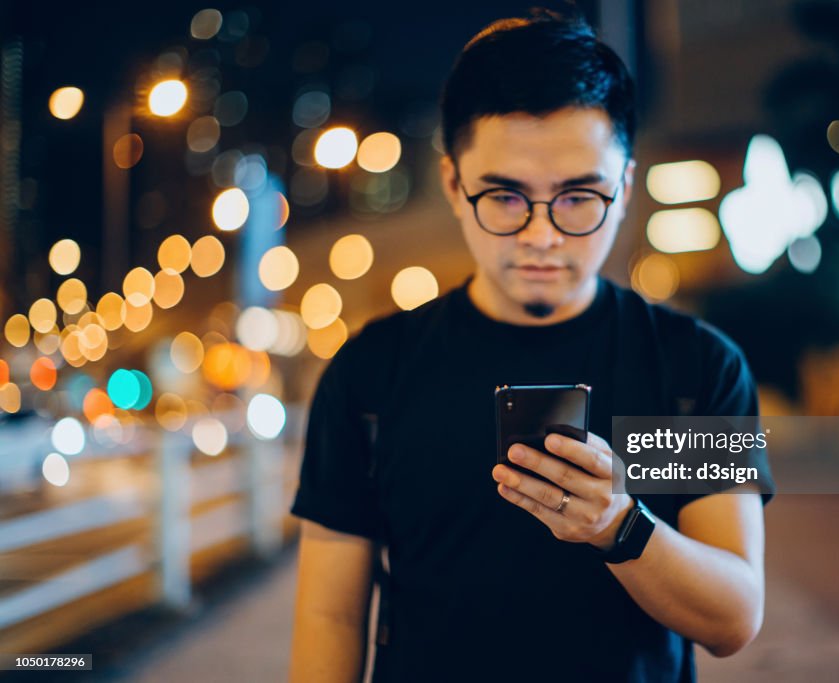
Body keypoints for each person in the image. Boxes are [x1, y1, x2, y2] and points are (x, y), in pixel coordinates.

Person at [289, 10, 772, 683]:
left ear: (625, 188)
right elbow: (330, 618)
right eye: (506, 196)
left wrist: (621, 523)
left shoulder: (687, 368)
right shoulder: (375, 372)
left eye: (578, 197)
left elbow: (733, 618)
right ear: (454, 185)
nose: (542, 234)